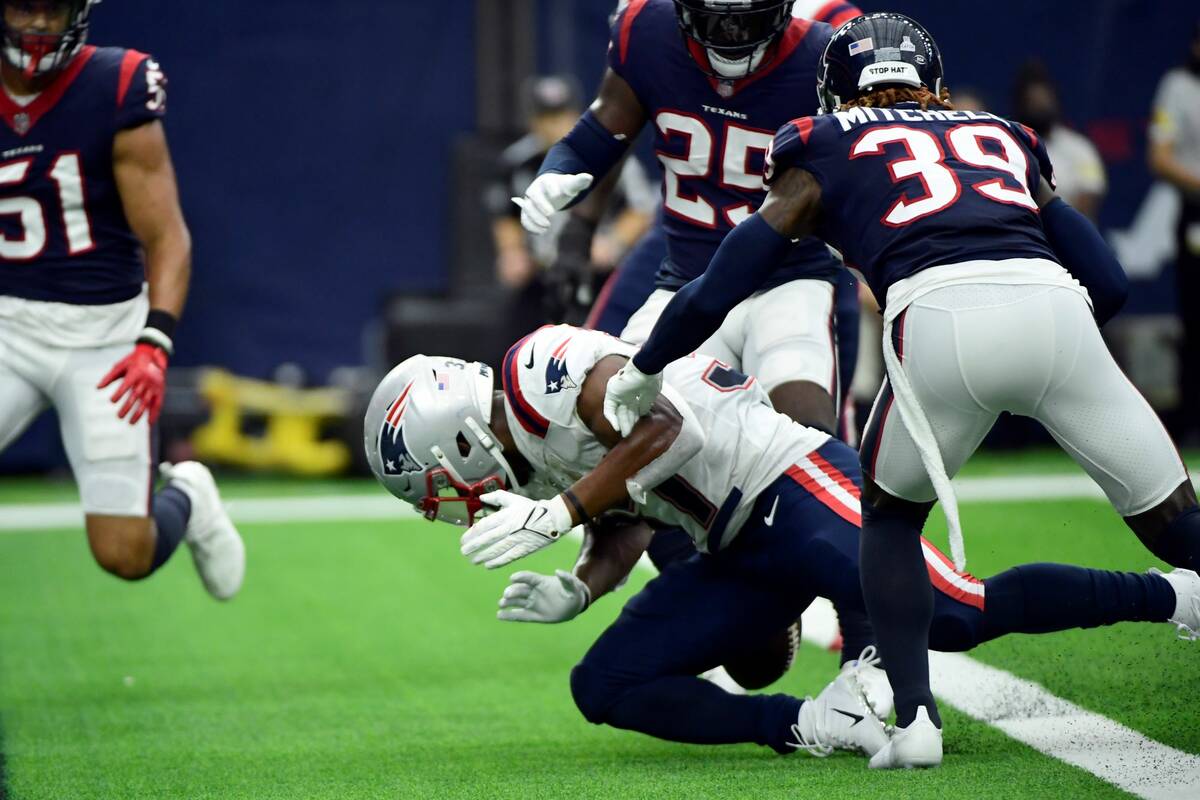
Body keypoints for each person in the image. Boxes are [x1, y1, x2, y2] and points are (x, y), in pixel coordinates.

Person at [602, 12, 1200, 769]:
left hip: (938, 319)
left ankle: (916, 721)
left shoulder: (821, 140)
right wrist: (1054, 345)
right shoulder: (1001, 133)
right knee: (1176, 522)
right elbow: (1108, 282)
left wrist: (645, 365)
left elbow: (718, 285)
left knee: (885, 523)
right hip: (1056, 309)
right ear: (934, 83)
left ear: (834, 90)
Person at [363, 324, 1200, 761]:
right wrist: (582, 584)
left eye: (438, 485)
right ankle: (807, 725)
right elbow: (625, 518)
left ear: (457, 439)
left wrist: (563, 512)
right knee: (604, 683)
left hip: (789, 481)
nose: (451, 503)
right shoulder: (530, 452)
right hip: (733, 544)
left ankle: (1173, 595)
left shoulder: (538, 371)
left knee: (954, 613)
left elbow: (667, 429)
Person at [513, 0, 863, 438]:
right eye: (714, 17)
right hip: (685, 279)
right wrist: (560, 175)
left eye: (747, 19)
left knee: (804, 434)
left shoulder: (830, 50)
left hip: (790, 282)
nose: (730, 33)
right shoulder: (649, 30)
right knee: (615, 424)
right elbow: (601, 133)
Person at [0, 0, 243, 598]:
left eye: (53, 10)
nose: (38, 25)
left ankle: (189, 496)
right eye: (24, 7)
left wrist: (154, 342)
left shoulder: (115, 83)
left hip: (105, 337)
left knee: (124, 554)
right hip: (6, 328)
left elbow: (167, 236)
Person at [486, 75, 654, 333]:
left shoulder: (607, 155)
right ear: (532, 121)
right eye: (546, 118)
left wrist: (613, 241)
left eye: (561, 116)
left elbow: (641, 208)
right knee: (519, 343)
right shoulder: (517, 162)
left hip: (597, 274)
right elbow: (505, 213)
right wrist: (512, 251)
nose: (554, 125)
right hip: (542, 274)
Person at [1149, 21, 1200, 445]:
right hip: (1197, 211)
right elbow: (1160, 156)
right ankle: (1192, 422)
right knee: (1196, 322)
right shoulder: (1179, 87)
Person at [1012, 60, 1106, 220]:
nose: (1039, 107)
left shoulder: (1080, 147)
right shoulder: (1010, 146)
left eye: (1043, 101)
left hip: (1068, 230)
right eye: (1032, 101)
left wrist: (1061, 228)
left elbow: (1089, 194)